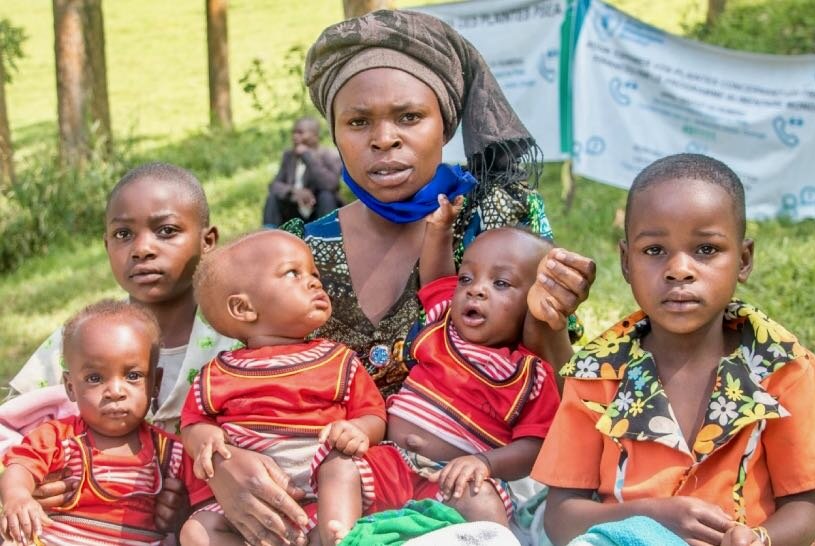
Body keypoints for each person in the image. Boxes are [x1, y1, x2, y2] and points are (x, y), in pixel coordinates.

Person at [182, 10, 596, 545]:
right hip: (333, 487)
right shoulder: (300, 251)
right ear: (333, 132)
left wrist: (553, 315)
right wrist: (223, 465)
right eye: (358, 122)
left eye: (408, 117)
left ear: (444, 124)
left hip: (470, 479)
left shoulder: (495, 226)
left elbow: (552, 388)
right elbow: (235, 382)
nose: (384, 140)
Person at [532, 154, 815, 546]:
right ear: (625, 261)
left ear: (744, 259)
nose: (680, 269)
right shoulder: (596, 375)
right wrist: (650, 516)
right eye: (654, 250)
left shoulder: (785, 370)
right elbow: (561, 516)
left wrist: (760, 539)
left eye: (706, 249)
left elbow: (803, 510)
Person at [1, 162, 236, 534]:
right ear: (106, 245)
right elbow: (10, 425)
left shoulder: (233, 344)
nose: (142, 249)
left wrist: (193, 507)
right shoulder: (84, 336)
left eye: (167, 231)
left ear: (207, 241)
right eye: (123, 234)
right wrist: (22, 488)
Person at [179, 230, 399, 546]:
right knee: (197, 531)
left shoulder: (337, 359)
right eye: (292, 273)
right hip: (255, 505)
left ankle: (340, 539)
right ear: (243, 309)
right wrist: (203, 436)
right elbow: (192, 423)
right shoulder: (215, 375)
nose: (314, 282)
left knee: (339, 466)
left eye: (314, 273)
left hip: (327, 494)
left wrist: (359, 429)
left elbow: (373, 414)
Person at [375, 195, 565, 525]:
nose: (475, 290)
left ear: (535, 302)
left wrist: (485, 463)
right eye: (467, 278)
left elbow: (535, 446)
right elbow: (436, 279)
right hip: (391, 460)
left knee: (485, 505)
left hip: (455, 483)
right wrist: (440, 229)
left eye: (501, 283)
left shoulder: (528, 374)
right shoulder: (443, 322)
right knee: (339, 469)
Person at [0, 300, 210, 546]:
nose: (115, 391)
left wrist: (185, 513)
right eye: (95, 378)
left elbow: (206, 504)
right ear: (71, 387)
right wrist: (18, 496)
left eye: (133, 376)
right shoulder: (58, 438)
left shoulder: (171, 453)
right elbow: (20, 467)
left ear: (156, 383)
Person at [262, 117, 343, 227]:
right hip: (295, 210)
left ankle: (329, 233)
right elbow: (274, 185)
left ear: (315, 136)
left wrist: (308, 157)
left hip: (318, 210)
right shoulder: (289, 156)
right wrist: (295, 192)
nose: (295, 137)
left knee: (327, 196)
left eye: (300, 133)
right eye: (294, 133)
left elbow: (331, 185)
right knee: (273, 197)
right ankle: (269, 236)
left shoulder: (329, 155)